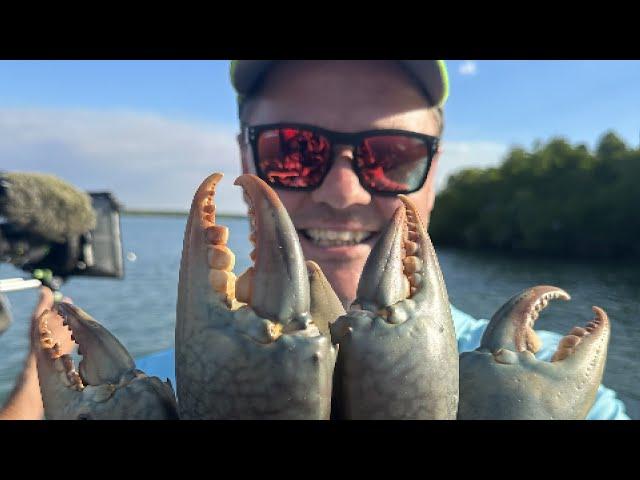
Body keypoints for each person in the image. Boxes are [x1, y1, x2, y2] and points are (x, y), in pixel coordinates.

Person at [0, 60, 629, 420]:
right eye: (293, 151)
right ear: (243, 151)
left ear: (434, 173)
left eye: (392, 156)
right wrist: (36, 367)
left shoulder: (573, 401)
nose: (343, 192)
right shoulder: (153, 388)